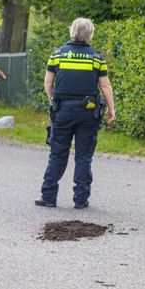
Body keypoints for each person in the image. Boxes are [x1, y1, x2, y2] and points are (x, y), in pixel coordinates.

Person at [36, 18, 114, 209]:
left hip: (62, 110)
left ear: (72, 32)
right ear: (90, 34)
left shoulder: (58, 54)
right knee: (84, 155)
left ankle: (48, 196)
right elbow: (104, 85)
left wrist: (53, 100)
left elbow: (48, 83)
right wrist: (112, 108)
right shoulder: (96, 57)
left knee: (57, 153)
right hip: (88, 112)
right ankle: (80, 199)